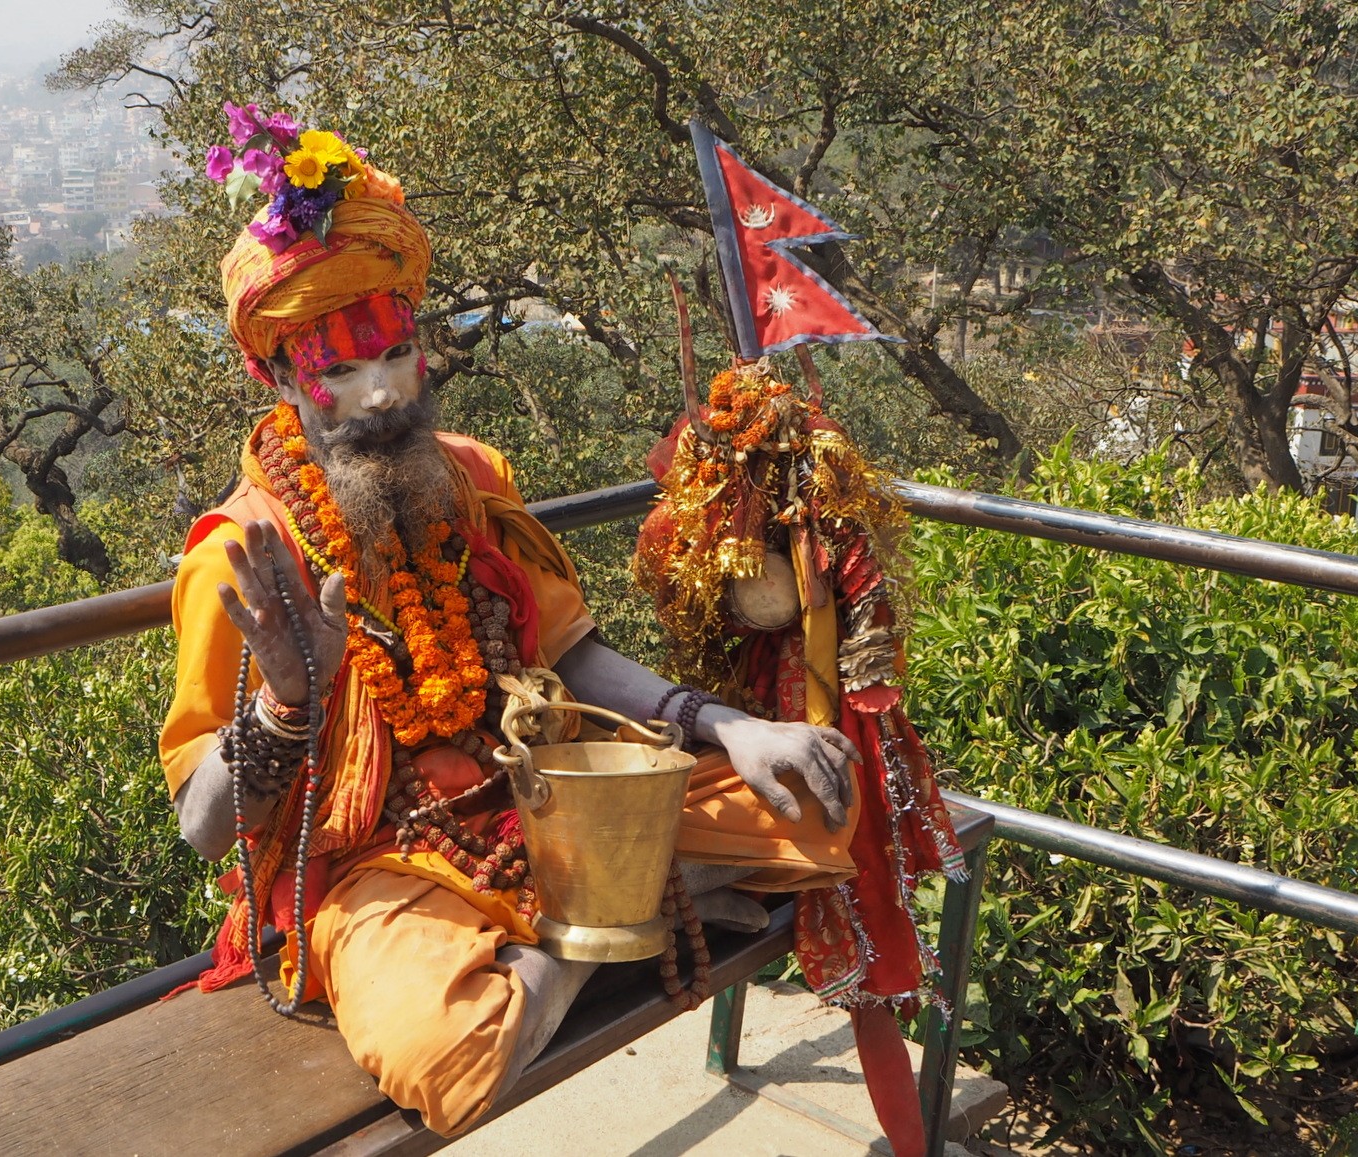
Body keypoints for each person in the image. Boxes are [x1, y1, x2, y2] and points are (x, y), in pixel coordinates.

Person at [159, 109, 859, 1138]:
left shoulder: (472, 475)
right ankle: (599, 928)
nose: (382, 392)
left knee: (819, 797)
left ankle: (606, 902)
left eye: (395, 352)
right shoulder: (243, 550)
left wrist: (732, 727)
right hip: (380, 863)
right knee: (445, 1053)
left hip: (535, 795)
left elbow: (568, 650)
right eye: (339, 371)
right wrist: (282, 700)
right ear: (275, 375)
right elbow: (204, 824)